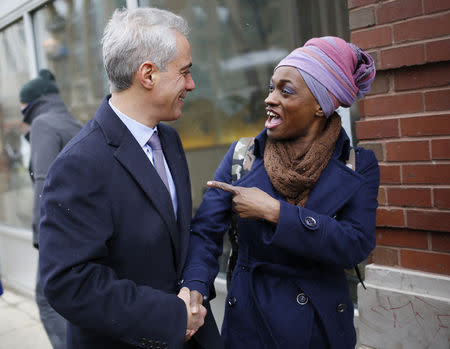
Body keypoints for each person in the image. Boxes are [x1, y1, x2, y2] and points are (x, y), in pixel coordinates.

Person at [38, 7, 221, 349]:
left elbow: (182, 236)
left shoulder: (169, 139)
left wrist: (194, 287)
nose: (191, 84)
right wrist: (172, 315)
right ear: (148, 74)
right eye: (184, 72)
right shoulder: (78, 164)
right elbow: (69, 283)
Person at [182, 36, 379, 348]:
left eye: (285, 91)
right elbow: (205, 233)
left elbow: (355, 245)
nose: (270, 99)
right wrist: (194, 285)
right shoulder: (243, 156)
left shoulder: (357, 163)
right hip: (250, 327)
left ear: (320, 104)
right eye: (271, 87)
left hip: (320, 330)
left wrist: (275, 212)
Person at [20, 68, 83, 349]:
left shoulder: (43, 124)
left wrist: (39, 235)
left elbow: (43, 181)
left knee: (47, 300)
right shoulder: (73, 123)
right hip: (86, 228)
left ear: (34, 103)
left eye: (23, 108)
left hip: (60, 232)